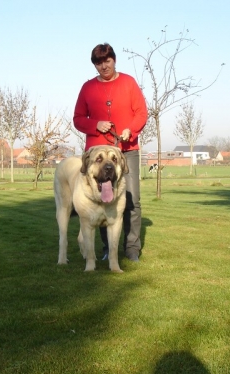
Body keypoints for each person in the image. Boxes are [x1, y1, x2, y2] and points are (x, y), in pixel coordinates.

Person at [73, 43, 148, 262]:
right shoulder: (87, 88)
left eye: (107, 61)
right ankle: (108, 249)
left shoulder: (129, 83)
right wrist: (95, 125)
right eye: (98, 63)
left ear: (114, 60)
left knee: (132, 200)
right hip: (96, 155)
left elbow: (141, 113)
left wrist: (130, 130)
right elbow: (78, 119)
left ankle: (132, 248)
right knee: (101, 201)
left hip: (126, 151)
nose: (103, 66)